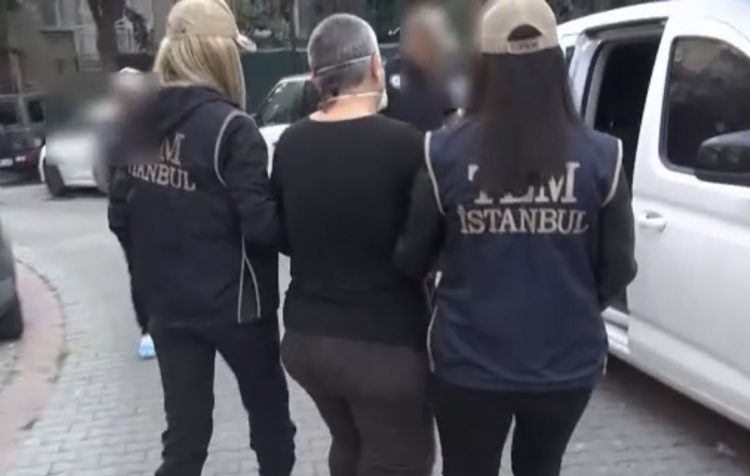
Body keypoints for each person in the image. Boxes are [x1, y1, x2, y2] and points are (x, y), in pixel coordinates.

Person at [394, 1, 638, 475]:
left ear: (482, 67)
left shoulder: (442, 152)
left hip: (468, 362)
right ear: (555, 64)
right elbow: (619, 268)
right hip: (566, 363)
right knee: (542, 465)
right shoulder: (603, 157)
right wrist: (570, 300)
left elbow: (412, 257)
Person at [124, 1, 295, 475]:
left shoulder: (137, 121)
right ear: (218, 54)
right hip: (238, 307)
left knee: (185, 438)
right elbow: (261, 227)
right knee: (271, 427)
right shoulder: (232, 128)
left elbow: (121, 213)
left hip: (168, 307)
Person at [272, 14, 434, 476]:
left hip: (307, 340)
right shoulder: (408, 145)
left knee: (350, 442)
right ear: (376, 67)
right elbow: (421, 248)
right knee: (399, 459)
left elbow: (282, 232)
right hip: (384, 346)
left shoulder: (290, 144)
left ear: (315, 76)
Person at [106, 67, 155, 359]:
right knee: (141, 269)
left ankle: (150, 328)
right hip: (132, 211)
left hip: (124, 210)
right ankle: (149, 329)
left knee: (139, 269)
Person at [382, 4, 462, 132]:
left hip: (431, 140)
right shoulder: (391, 71)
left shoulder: (442, 72)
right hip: (397, 140)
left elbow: (451, 116)